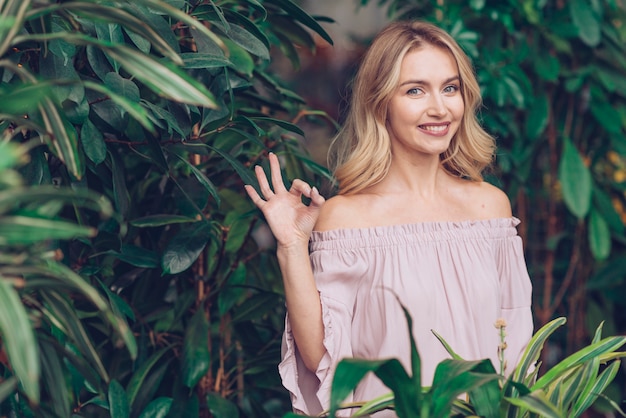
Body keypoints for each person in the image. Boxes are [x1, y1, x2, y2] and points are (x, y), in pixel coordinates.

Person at [245, 20, 533, 417]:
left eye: (450, 88)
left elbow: (515, 351)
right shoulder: (345, 218)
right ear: (381, 103)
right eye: (415, 90)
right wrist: (292, 247)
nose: (439, 107)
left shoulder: (490, 208)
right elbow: (321, 356)